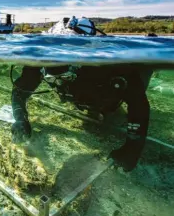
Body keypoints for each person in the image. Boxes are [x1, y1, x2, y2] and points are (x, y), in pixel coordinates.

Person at [11, 16, 152, 172]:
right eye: (52, 79)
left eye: (65, 77)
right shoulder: (39, 61)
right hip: (86, 97)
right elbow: (20, 91)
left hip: (109, 96)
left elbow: (138, 101)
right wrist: (20, 118)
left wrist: (133, 147)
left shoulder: (107, 64)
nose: (59, 83)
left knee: (138, 78)